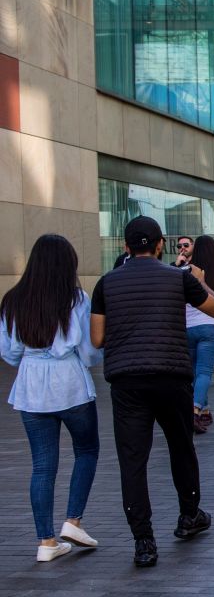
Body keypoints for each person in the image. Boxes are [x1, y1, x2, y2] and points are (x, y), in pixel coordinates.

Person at [90, 216, 214, 568]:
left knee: (133, 460)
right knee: (181, 447)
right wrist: (200, 281)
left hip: (126, 381)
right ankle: (188, 515)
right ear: (161, 244)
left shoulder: (107, 284)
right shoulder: (177, 278)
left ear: (125, 246)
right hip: (170, 375)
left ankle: (144, 542)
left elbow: (97, 338)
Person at [0, 235, 102, 563]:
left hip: (31, 387)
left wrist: (32, 359)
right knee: (86, 450)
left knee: (42, 465)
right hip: (70, 382)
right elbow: (88, 350)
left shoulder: (14, 299)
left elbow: (10, 352)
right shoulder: (76, 298)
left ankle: (45, 542)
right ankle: (73, 521)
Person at [185, 236, 214, 433]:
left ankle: (204, 410)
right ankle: (194, 411)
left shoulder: (186, 270)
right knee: (204, 372)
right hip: (211, 326)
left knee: (195, 371)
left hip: (188, 327)